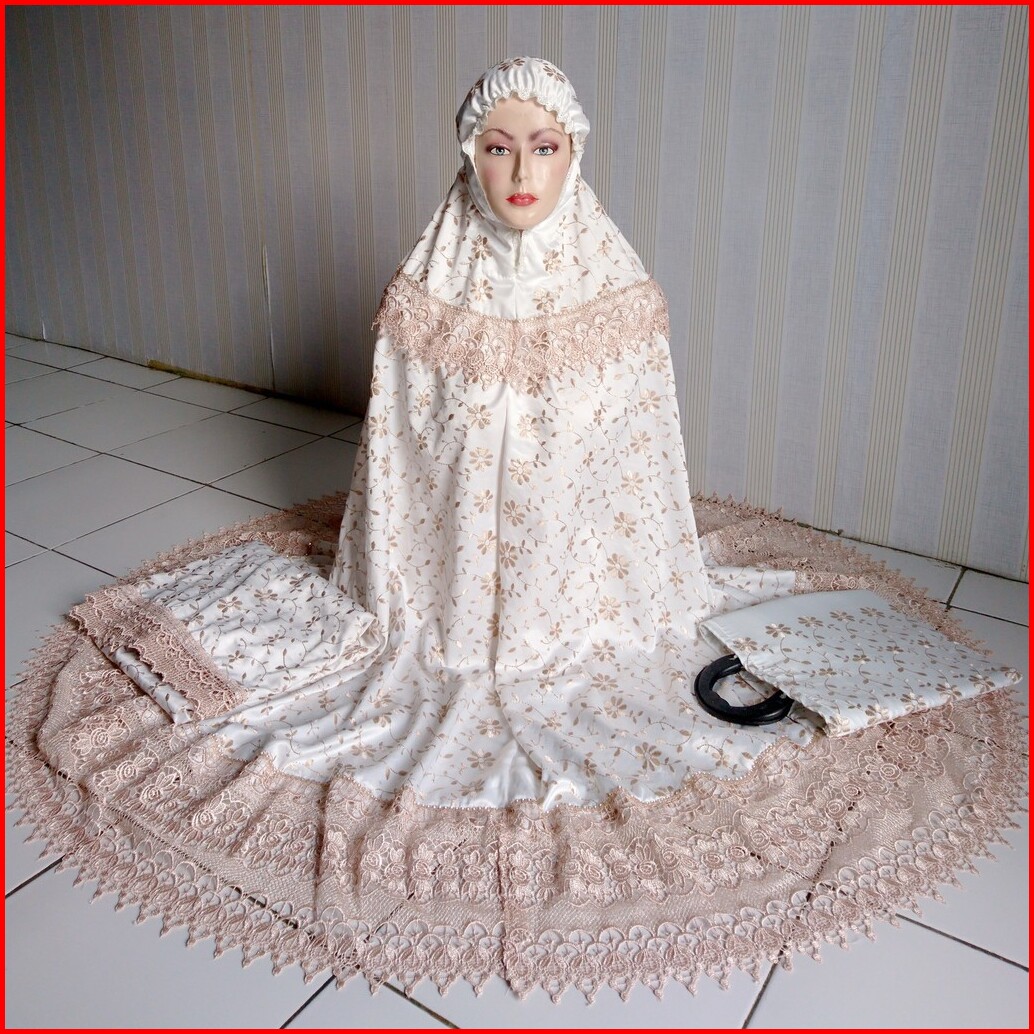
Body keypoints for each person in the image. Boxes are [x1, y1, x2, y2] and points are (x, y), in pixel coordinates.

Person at [8, 57, 1021, 1004]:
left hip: (580, 575)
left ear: (574, 152)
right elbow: (400, 456)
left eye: (543, 146)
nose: (522, 172)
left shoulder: (614, 290)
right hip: (439, 590)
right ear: (468, 154)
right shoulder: (429, 286)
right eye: (497, 147)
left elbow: (634, 456)